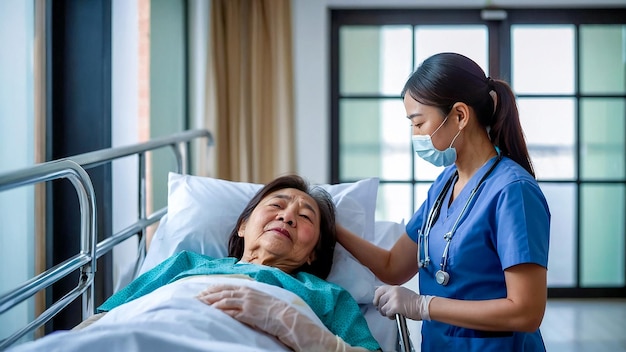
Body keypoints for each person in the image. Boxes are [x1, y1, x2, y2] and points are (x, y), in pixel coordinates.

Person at [9, 175, 380, 352]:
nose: (286, 217)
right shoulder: (186, 263)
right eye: (277, 205)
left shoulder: (327, 296)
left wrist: (298, 329)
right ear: (243, 225)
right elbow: (103, 319)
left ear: (314, 252)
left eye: (305, 218)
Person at [337, 52, 550, 351]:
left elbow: (526, 312)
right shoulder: (444, 184)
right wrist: (331, 227)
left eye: (419, 123)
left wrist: (424, 306)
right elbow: (392, 266)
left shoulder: (513, 192)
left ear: (460, 116)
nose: (415, 135)